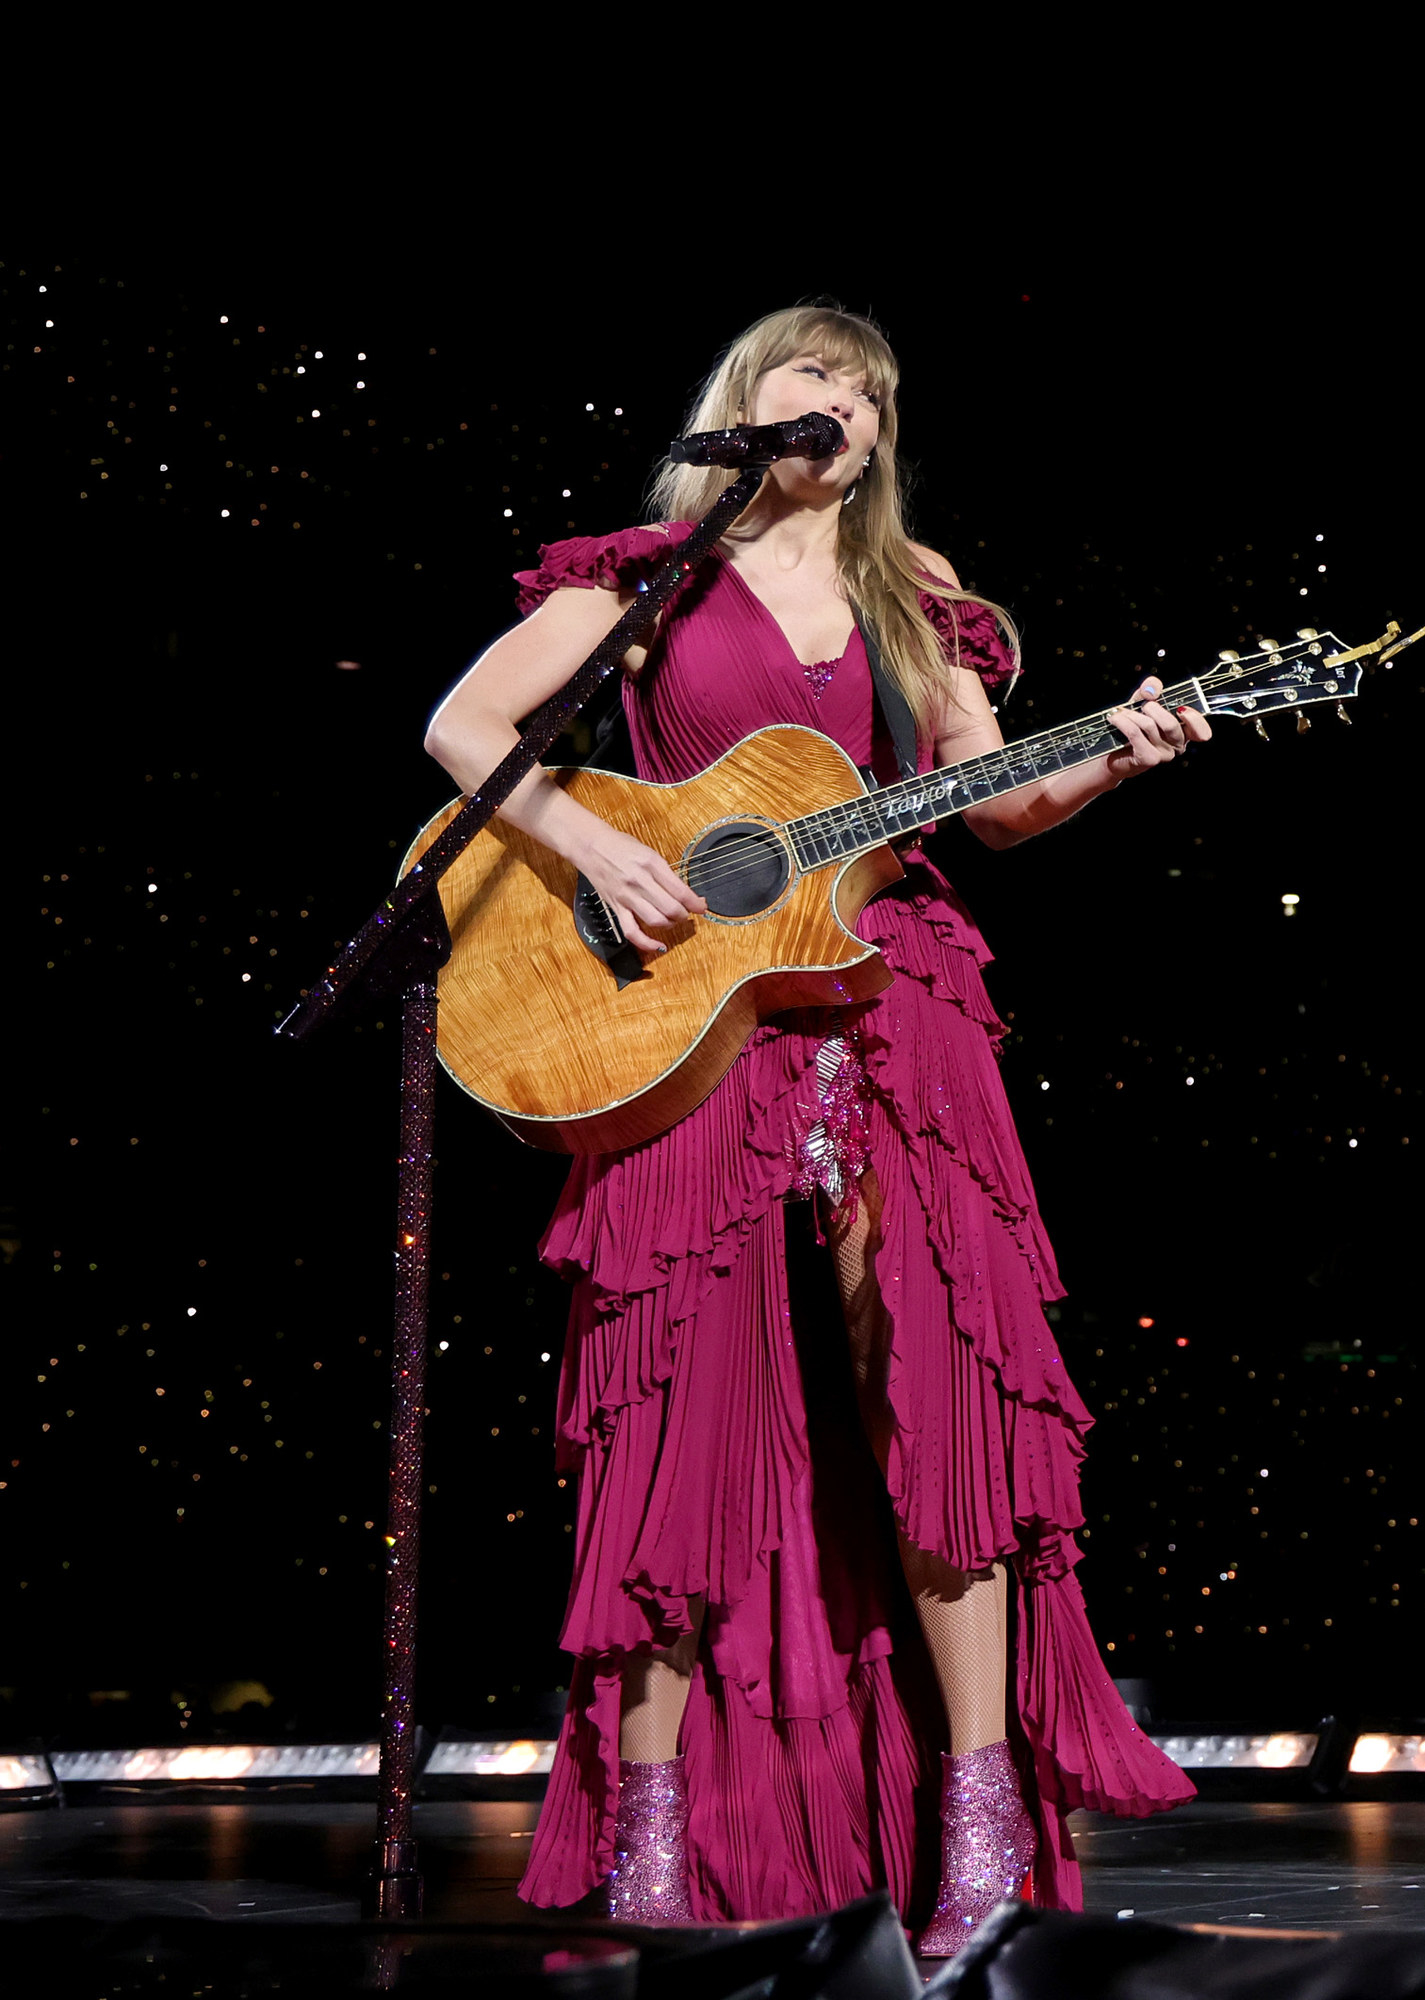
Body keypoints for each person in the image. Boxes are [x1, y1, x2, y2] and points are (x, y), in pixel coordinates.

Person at [421, 305, 1198, 1943]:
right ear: (745, 406)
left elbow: (991, 806)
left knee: (942, 1383)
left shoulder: (919, 601)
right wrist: (598, 842)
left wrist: (1114, 762)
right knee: (672, 1416)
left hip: (883, 993)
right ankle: (653, 1835)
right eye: (808, 372)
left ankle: (979, 1826)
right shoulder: (642, 573)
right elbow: (467, 732)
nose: (834, 398)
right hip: (683, 1010)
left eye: (862, 386)